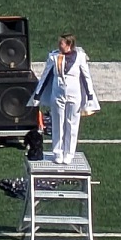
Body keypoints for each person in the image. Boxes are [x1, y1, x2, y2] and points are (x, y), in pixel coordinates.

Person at [29, 32, 99, 166]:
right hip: (57, 94)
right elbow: (45, 76)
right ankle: (58, 152)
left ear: (69, 44)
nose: (59, 45)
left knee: (72, 123)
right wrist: (37, 95)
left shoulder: (80, 57)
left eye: (61, 43)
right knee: (57, 122)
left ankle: (69, 153)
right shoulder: (54, 56)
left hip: (75, 95)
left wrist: (90, 95)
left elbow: (86, 77)